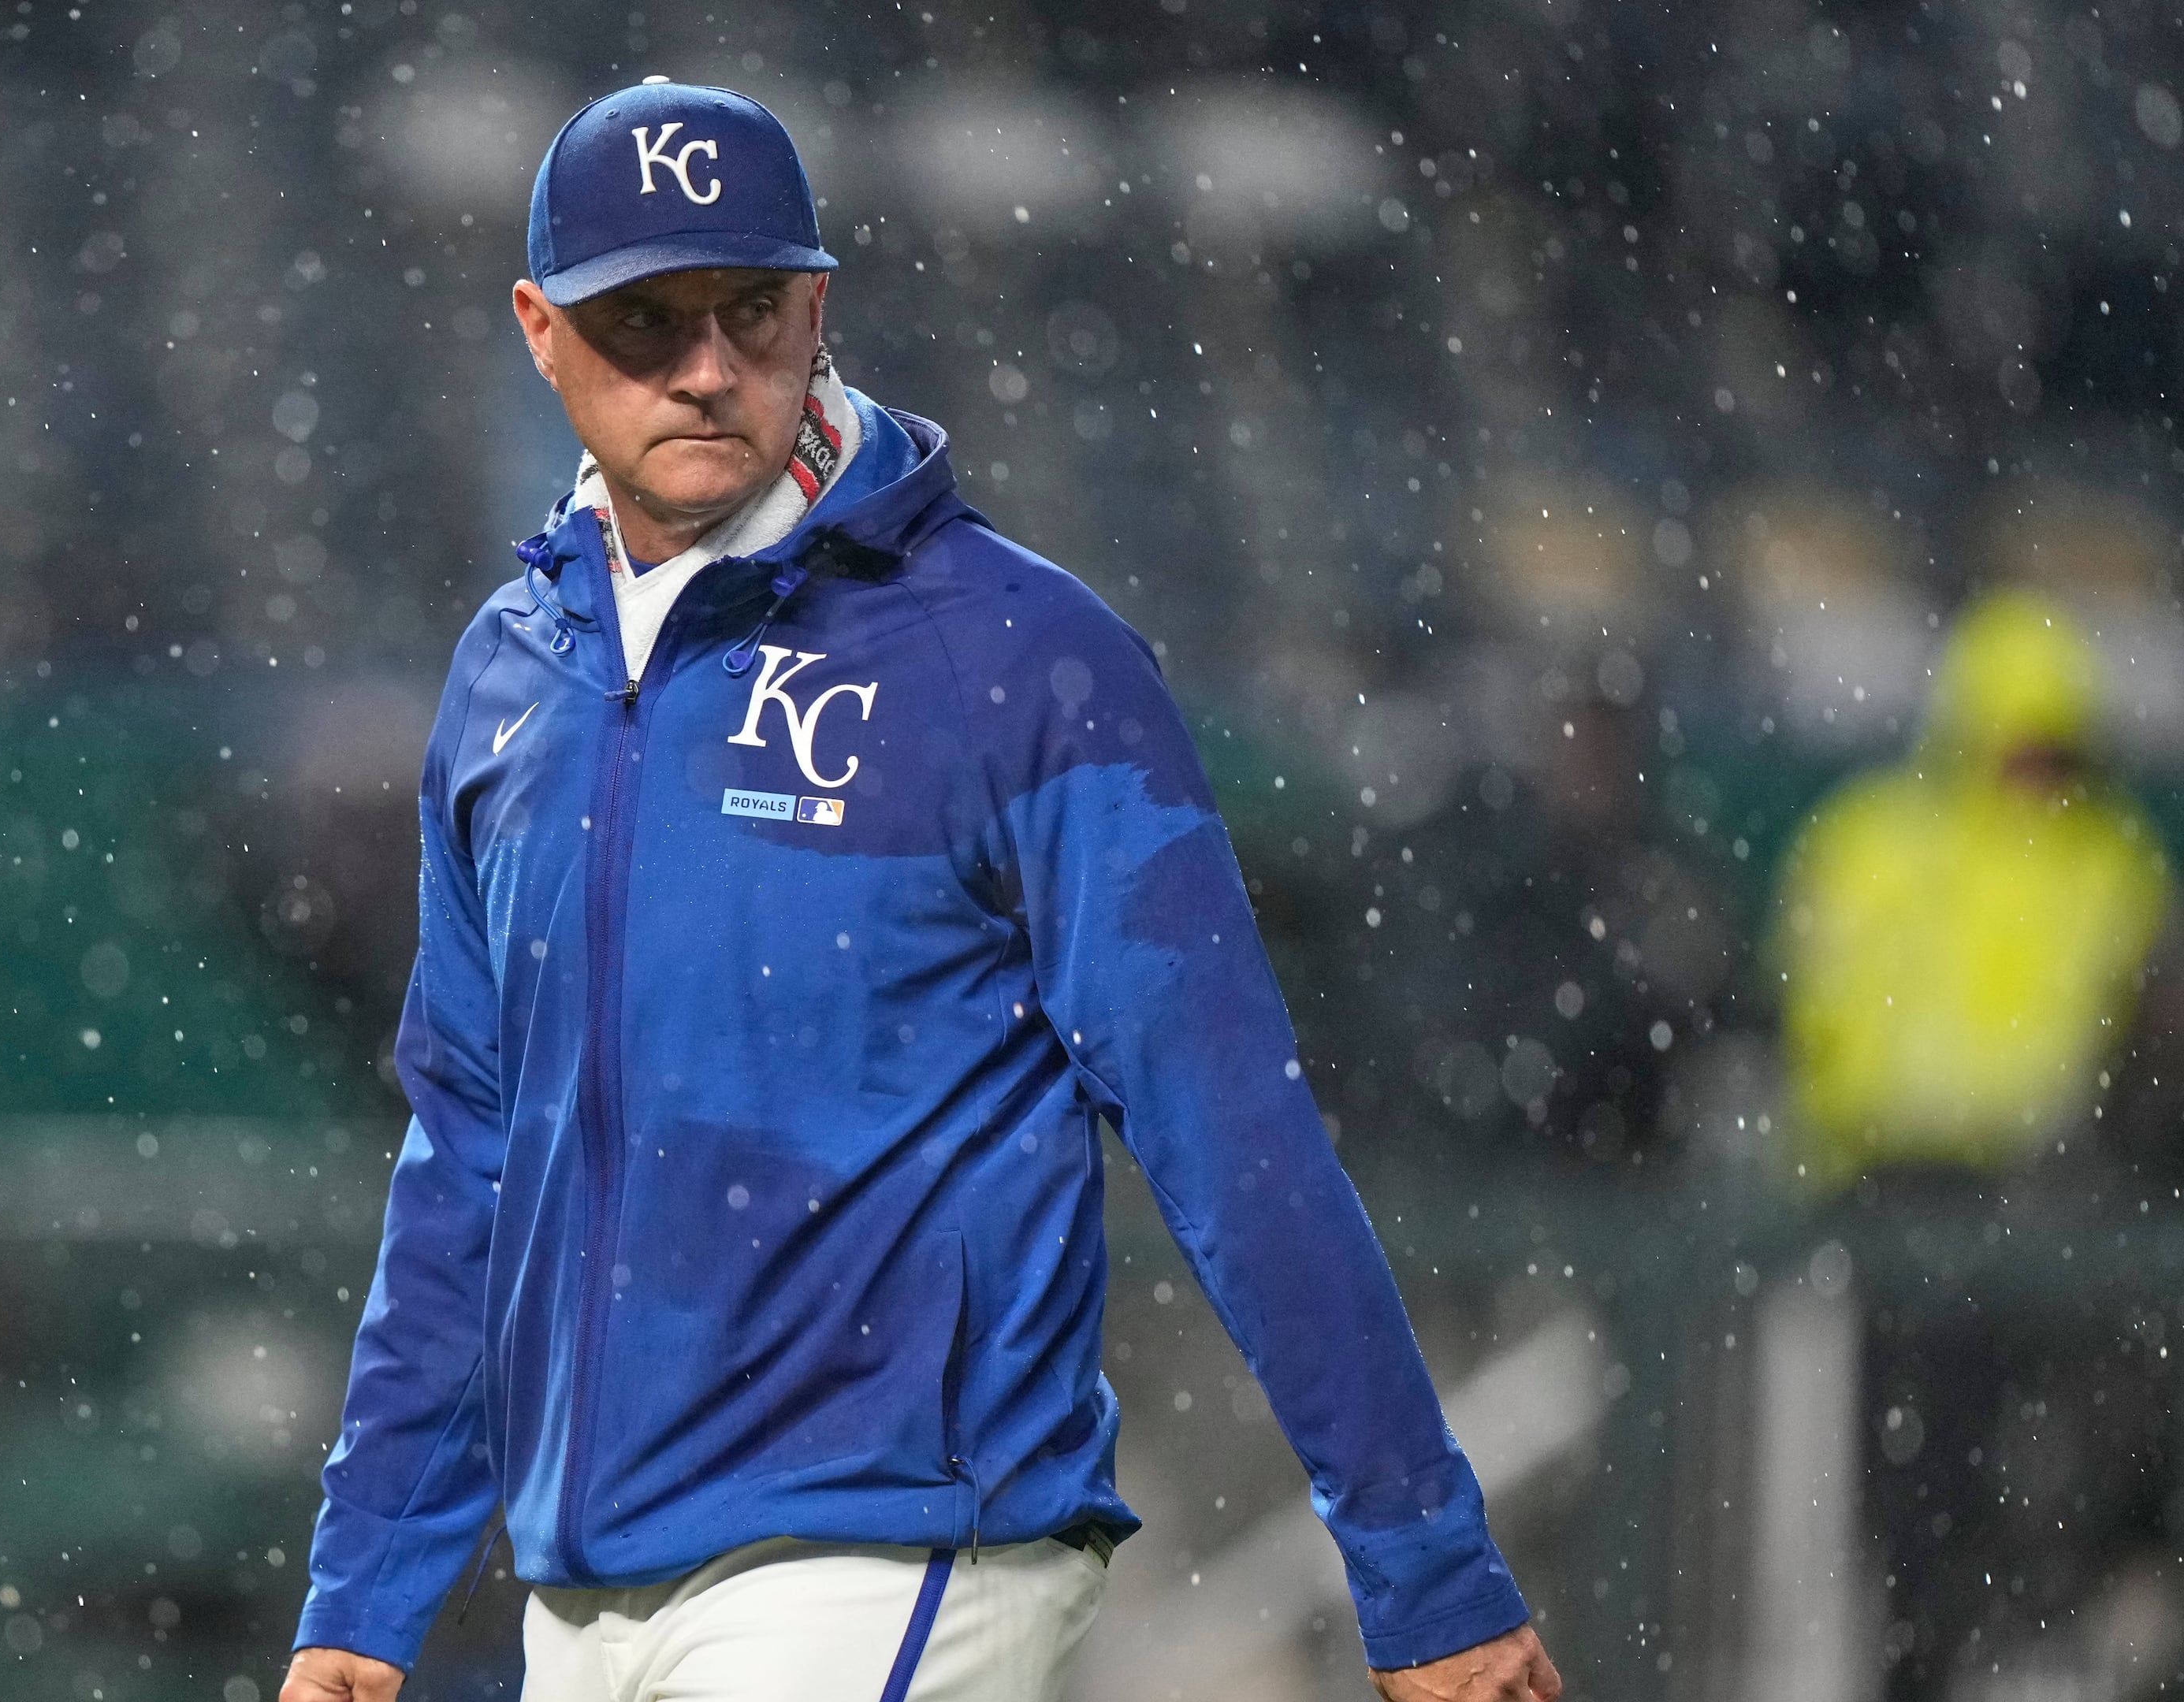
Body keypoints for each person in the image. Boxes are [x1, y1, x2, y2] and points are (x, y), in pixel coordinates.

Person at [282, 82, 1559, 1702]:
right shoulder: (508, 674)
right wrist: (365, 1590)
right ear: (538, 330)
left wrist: (1425, 1567)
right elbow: (468, 1155)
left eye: (750, 311)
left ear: (816, 309)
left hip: (895, 1540)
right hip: (585, 1573)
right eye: (642, 318)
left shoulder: (1021, 659)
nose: (704, 365)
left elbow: (1230, 1123)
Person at [1774, 588, 2178, 1693]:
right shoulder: (1878, 842)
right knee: (1906, 1496)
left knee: (2022, 1483)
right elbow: (1822, 1011)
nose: (2034, 778)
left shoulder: (2109, 863)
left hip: (2044, 1209)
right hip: (1903, 1199)